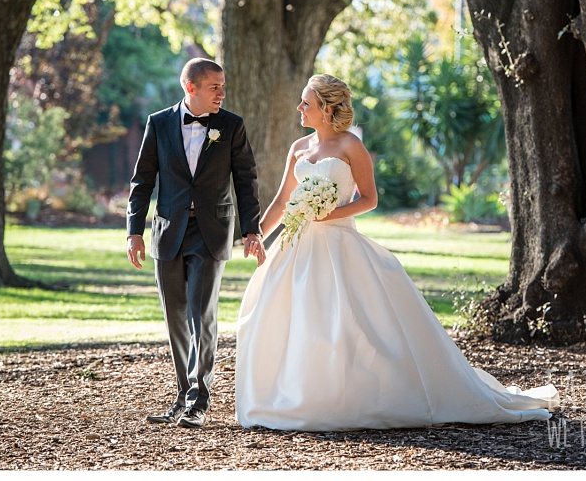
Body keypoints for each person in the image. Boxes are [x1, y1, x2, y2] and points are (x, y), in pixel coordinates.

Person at [234, 74, 558, 431]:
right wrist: (254, 234)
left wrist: (328, 213)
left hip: (339, 244)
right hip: (296, 248)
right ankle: (293, 395)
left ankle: (351, 397)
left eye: (306, 103)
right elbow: (282, 201)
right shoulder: (298, 148)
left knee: (348, 323)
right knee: (290, 318)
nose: (300, 108)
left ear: (326, 109)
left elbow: (369, 200)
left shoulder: (350, 147)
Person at [127, 58, 265, 429]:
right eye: (215, 87)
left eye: (223, 86)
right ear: (191, 88)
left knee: (201, 315)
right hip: (168, 231)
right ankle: (181, 395)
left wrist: (252, 230)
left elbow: (246, 180)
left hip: (211, 231)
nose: (222, 93)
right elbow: (142, 181)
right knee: (175, 317)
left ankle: (199, 401)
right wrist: (134, 231)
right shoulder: (158, 123)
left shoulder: (231, 126)